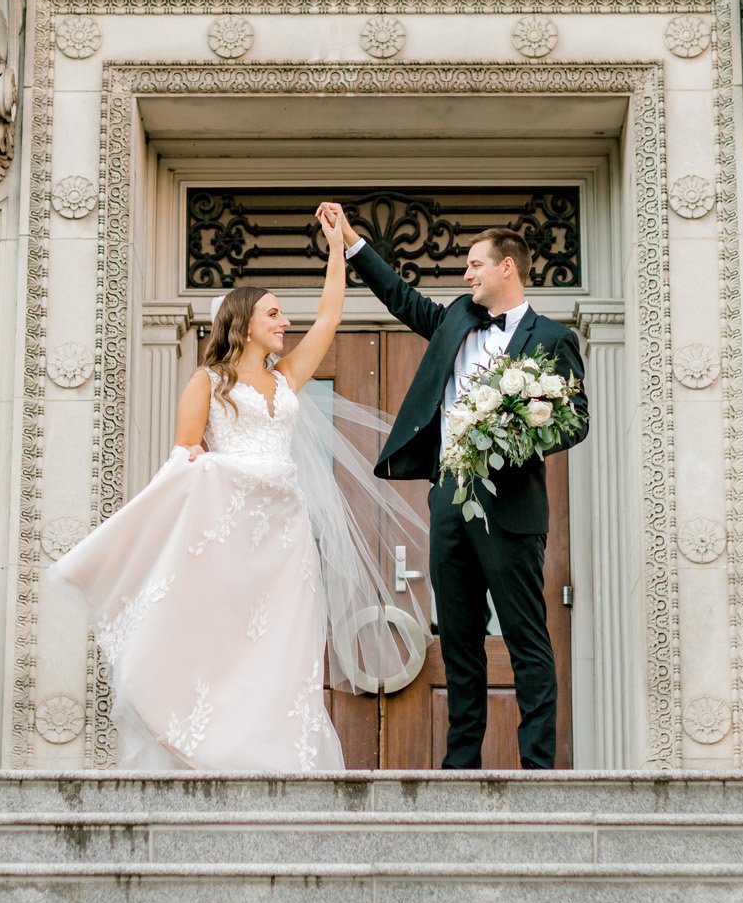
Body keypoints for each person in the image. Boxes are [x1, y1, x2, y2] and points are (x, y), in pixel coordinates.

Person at [50, 206, 427, 773]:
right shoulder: (207, 381)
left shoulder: (287, 377)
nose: (284, 323)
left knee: (286, 645)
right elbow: (183, 462)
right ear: (245, 321)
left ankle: (280, 757)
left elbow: (329, 317)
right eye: (274, 313)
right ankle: (216, 747)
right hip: (230, 534)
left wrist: (337, 248)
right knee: (229, 641)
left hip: (287, 536)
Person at [326, 203, 588, 770]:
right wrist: (351, 241)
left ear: (507, 268)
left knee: (524, 638)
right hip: (448, 496)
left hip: (511, 505)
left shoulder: (553, 338)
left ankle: (538, 767)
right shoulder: (455, 322)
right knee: (461, 640)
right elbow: (401, 297)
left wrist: (516, 432)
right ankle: (461, 766)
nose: (466, 276)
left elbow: (578, 419)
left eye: (474, 265)